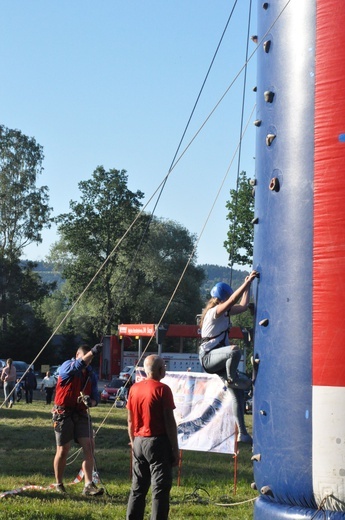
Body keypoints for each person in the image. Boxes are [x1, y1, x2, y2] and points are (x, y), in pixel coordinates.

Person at [199, 271, 258, 444]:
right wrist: (245, 283)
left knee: (238, 395)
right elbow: (233, 301)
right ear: (221, 300)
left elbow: (243, 304)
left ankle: (243, 434)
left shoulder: (224, 311)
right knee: (234, 351)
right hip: (209, 357)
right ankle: (232, 379)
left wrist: (248, 286)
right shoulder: (214, 312)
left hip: (219, 359)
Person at [126, 354, 179, 520]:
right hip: (157, 441)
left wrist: (133, 441)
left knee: (138, 488)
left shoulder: (134, 388)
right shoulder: (162, 389)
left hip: (138, 441)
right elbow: (170, 422)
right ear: (159, 369)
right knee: (160, 490)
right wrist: (175, 449)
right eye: (164, 366)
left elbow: (130, 420)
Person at [52, 343, 104, 496]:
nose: (87, 363)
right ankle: (59, 484)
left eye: (90, 360)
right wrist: (93, 352)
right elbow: (76, 367)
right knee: (63, 449)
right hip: (63, 413)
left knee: (89, 446)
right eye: (86, 359)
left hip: (81, 413)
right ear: (77, 356)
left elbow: (96, 399)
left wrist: (90, 402)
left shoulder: (90, 375)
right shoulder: (67, 366)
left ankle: (88, 485)